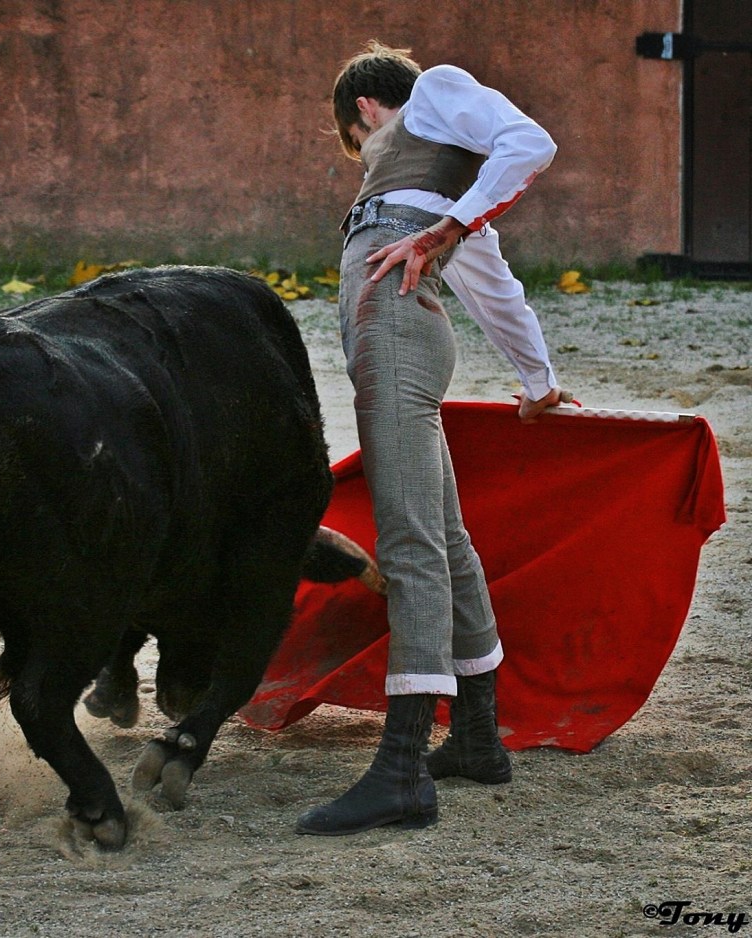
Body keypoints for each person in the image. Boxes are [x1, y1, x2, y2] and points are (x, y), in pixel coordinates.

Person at [296, 41, 564, 836]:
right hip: (408, 332)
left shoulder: (435, 96)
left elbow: (532, 144)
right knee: (443, 541)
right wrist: (539, 382)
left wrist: (444, 226)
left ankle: (403, 770)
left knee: (411, 542)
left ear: (365, 113)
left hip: (390, 331)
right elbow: (497, 290)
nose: (364, 157)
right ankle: (478, 739)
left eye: (357, 144)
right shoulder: (448, 193)